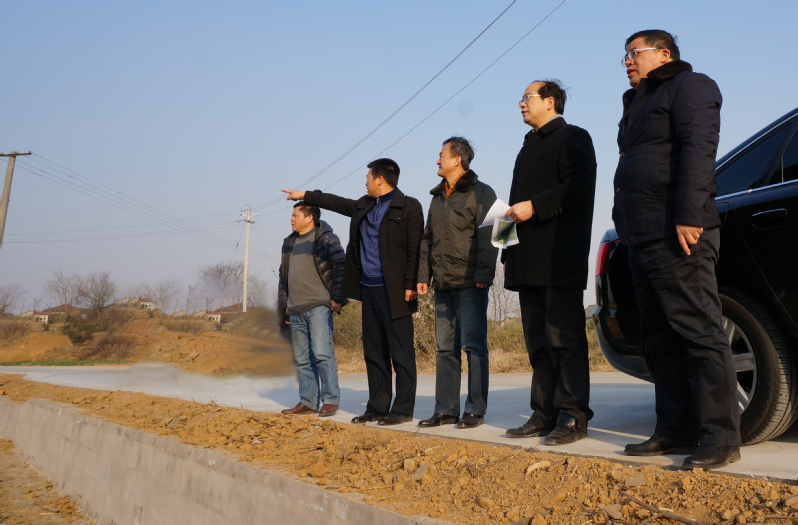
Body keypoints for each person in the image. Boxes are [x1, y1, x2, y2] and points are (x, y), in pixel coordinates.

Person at [614, 30, 741, 468]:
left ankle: (720, 437)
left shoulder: (691, 86)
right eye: (624, 55)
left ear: (664, 53)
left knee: (699, 331)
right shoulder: (636, 101)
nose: (627, 61)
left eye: (634, 53)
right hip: (640, 234)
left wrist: (689, 213)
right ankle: (674, 429)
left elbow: (699, 149)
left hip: (678, 230)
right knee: (659, 338)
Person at [282, 158, 424, 426]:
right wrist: (306, 196)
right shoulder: (364, 205)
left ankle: (403, 409)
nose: (365, 181)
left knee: (401, 353)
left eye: (368, 177)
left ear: (380, 179)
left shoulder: (409, 206)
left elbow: (416, 247)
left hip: (396, 291)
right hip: (368, 289)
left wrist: (411, 283)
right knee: (374, 352)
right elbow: (337, 202)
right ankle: (378, 407)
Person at [502, 79, 597, 445]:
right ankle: (543, 412)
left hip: (558, 256)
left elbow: (578, 187)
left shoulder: (574, 137)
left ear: (551, 101)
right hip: (525, 258)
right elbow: (513, 204)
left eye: (527, 97)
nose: (521, 104)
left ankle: (573, 415)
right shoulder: (526, 147)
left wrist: (536, 206)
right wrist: (507, 251)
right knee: (538, 342)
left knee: (564, 338)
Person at [416, 137, 498, 429]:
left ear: (457, 159)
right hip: (442, 284)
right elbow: (427, 240)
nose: (437, 160)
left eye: (441, 155)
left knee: (474, 347)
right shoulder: (437, 198)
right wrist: (424, 275)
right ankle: (446, 410)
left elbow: (497, 232)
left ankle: (475, 409)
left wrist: (484, 274)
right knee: (444, 350)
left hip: (470, 283)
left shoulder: (482, 192)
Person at [277, 202, 347, 417]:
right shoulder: (289, 242)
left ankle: (330, 400)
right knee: (302, 359)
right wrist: (285, 306)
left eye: (295, 215)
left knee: (323, 354)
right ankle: (308, 401)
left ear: (309, 218)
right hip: (295, 308)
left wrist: (337, 297)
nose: (291, 219)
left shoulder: (326, 238)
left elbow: (341, 266)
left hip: (319, 305)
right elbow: (283, 275)